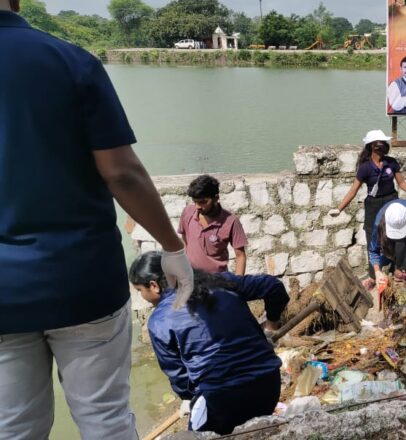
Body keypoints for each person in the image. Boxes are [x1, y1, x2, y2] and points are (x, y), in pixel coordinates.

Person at [0, 2, 193, 438]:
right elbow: (121, 171)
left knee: (13, 426)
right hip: (81, 281)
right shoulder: (68, 60)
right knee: (105, 419)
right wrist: (173, 248)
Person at [130, 251, 288, 435]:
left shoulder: (159, 321)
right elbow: (274, 287)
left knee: (195, 435)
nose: (141, 296)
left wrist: (190, 399)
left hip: (221, 400)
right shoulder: (222, 282)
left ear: (154, 286)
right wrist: (270, 326)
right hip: (268, 385)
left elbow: (178, 375)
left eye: (139, 290)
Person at [331, 130, 406, 288]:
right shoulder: (365, 168)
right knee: (372, 238)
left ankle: (400, 269)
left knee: (398, 235)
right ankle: (373, 276)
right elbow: (353, 190)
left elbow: (401, 182)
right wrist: (339, 208)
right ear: (372, 147)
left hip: (391, 201)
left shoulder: (391, 162)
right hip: (373, 205)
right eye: (380, 144)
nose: (384, 146)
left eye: (384, 143)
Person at [179, 174, 248, 275]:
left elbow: (240, 256)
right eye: (195, 202)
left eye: (203, 202)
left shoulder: (231, 221)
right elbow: (184, 242)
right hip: (192, 279)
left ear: (216, 198)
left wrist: (238, 284)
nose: (198, 206)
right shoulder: (188, 212)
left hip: (219, 281)